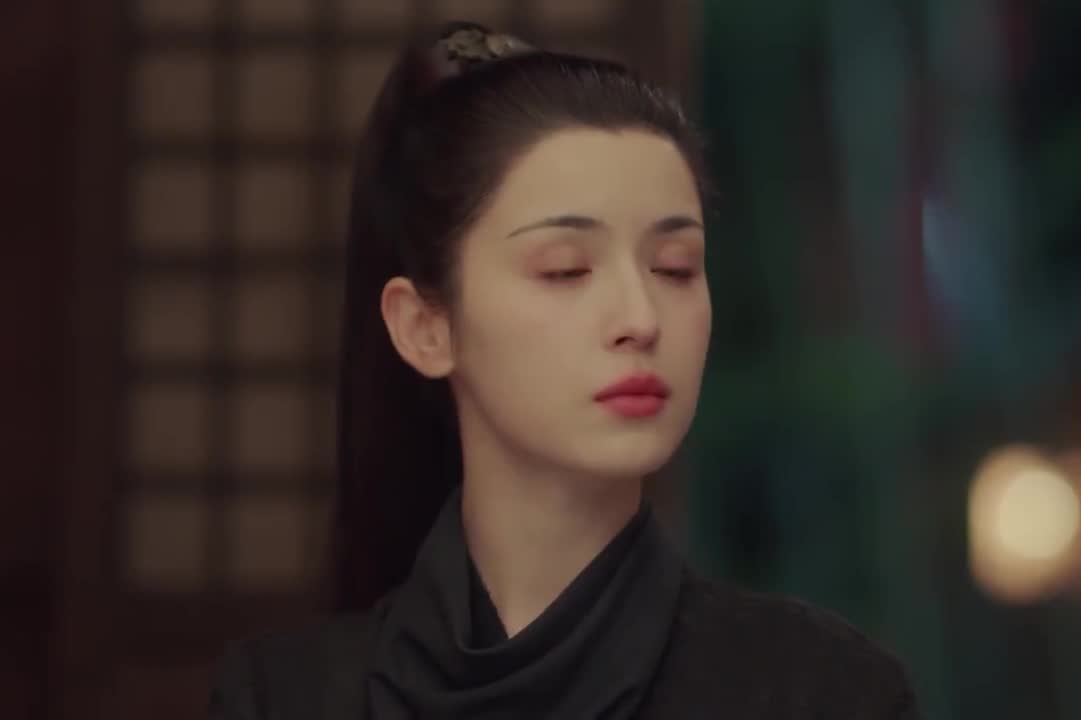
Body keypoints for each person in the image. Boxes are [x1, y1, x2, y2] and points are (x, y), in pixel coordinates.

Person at [209, 20, 921, 720]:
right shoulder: (282, 698)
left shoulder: (826, 693)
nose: (640, 317)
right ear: (425, 328)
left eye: (675, 267)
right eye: (565, 269)